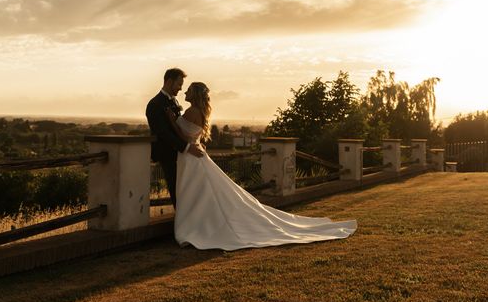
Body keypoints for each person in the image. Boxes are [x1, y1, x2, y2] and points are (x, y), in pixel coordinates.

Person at [167, 81, 357, 251]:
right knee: (201, 193)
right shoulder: (199, 111)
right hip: (194, 155)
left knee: (194, 192)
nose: (185, 93)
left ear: (196, 94)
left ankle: (196, 227)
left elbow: (183, 136)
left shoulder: (191, 112)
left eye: (189, 90)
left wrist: (170, 121)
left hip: (191, 156)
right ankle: (200, 224)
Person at [146, 68, 204, 208]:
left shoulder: (175, 102)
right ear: (169, 81)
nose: (180, 89)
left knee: (188, 192)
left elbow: (183, 128)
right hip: (169, 155)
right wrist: (188, 147)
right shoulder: (155, 104)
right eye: (179, 84)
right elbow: (163, 134)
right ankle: (183, 223)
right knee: (177, 191)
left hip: (183, 155)